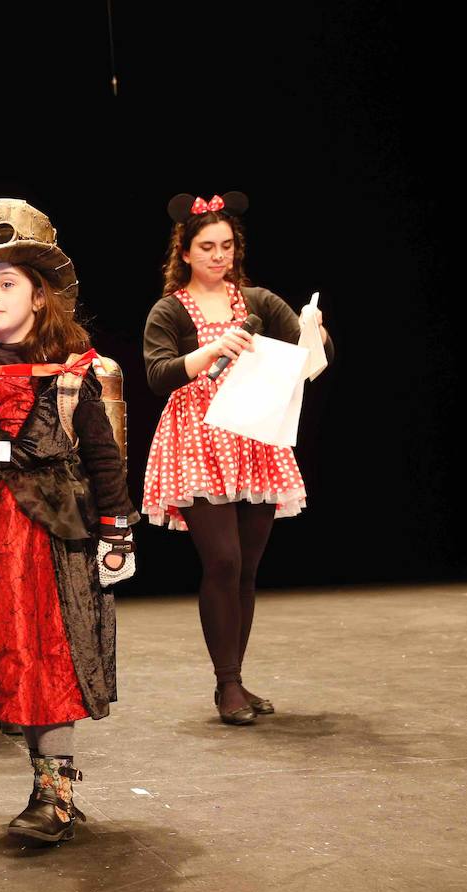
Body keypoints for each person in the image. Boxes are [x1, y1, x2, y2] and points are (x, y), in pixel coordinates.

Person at [0, 198, 137, 845]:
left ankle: (55, 793)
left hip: (55, 544)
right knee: (14, 662)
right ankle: (49, 785)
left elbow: (102, 456)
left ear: (41, 297)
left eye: (7, 284)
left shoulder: (74, 377)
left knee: (53, 661)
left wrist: (117, 529)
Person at [140, 192, 333, 725]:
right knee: (221, 561)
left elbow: (307, 357)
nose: (218, 255)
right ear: (185, 252)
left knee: (245, 568)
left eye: (226, 246)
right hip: (199, 436)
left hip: (253, 435)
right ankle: (226, 684)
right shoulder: (170, 309)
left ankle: (237, 679)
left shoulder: (261, 301)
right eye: (207, 247)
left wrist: (315, 333)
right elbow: (157, 374)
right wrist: (209, 351)